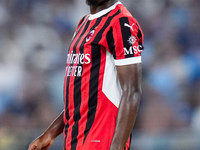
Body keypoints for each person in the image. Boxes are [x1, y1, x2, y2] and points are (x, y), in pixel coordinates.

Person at [28, 0, 144, 150]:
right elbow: (82, 98)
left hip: (102, 138)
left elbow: (132, 91)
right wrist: (50, 133)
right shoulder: (84, 23)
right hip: (75, 138)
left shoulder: (121, 23)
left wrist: (117, 146)